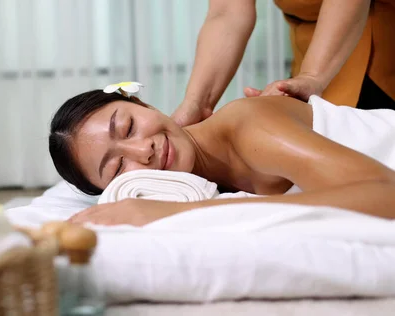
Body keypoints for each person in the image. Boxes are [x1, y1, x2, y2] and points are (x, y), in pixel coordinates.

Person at [48, 90, 395, 226]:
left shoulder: (249, 126)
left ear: (144, 105)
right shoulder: (203, 182)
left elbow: (386, 194)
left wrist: (177, 213)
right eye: (119, 167)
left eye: (128, 127)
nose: (143, 151)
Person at [172, 0, 395, 127]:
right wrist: (196, 103)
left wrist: (312, 76)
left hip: (376, 48)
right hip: (311, 54)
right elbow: (227, 11)